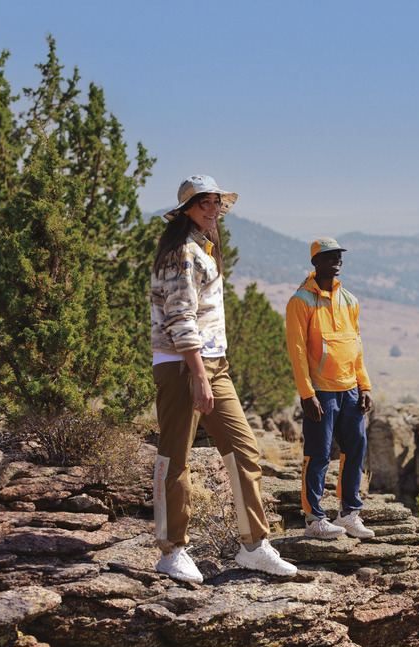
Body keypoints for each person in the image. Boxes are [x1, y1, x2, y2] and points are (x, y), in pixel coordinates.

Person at [150, 174, 297, 582]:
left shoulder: (205, 250)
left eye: (217, 202)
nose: (214, 209)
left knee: (244, 450)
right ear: (186, 211)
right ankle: (171, 550)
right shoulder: (182, 252)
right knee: (174, 456)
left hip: (214, 362)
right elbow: (180, 318)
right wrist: (197, 375)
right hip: (183, 363)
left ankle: (253, 546)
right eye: (204, 203)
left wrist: (209, 369)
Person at [285, 237, 375, 540]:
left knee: (355, 451)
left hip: (350, 389)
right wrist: (306, 393)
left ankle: (350, 513)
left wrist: (364, 386)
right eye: (329, 255)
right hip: (321, 392)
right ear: (315, 262)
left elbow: (356, 346)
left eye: (338, 255)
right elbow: (296, 351)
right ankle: (314, 518)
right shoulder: (300, 301)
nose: (336, 259)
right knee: (319, 453)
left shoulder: (349, 299)